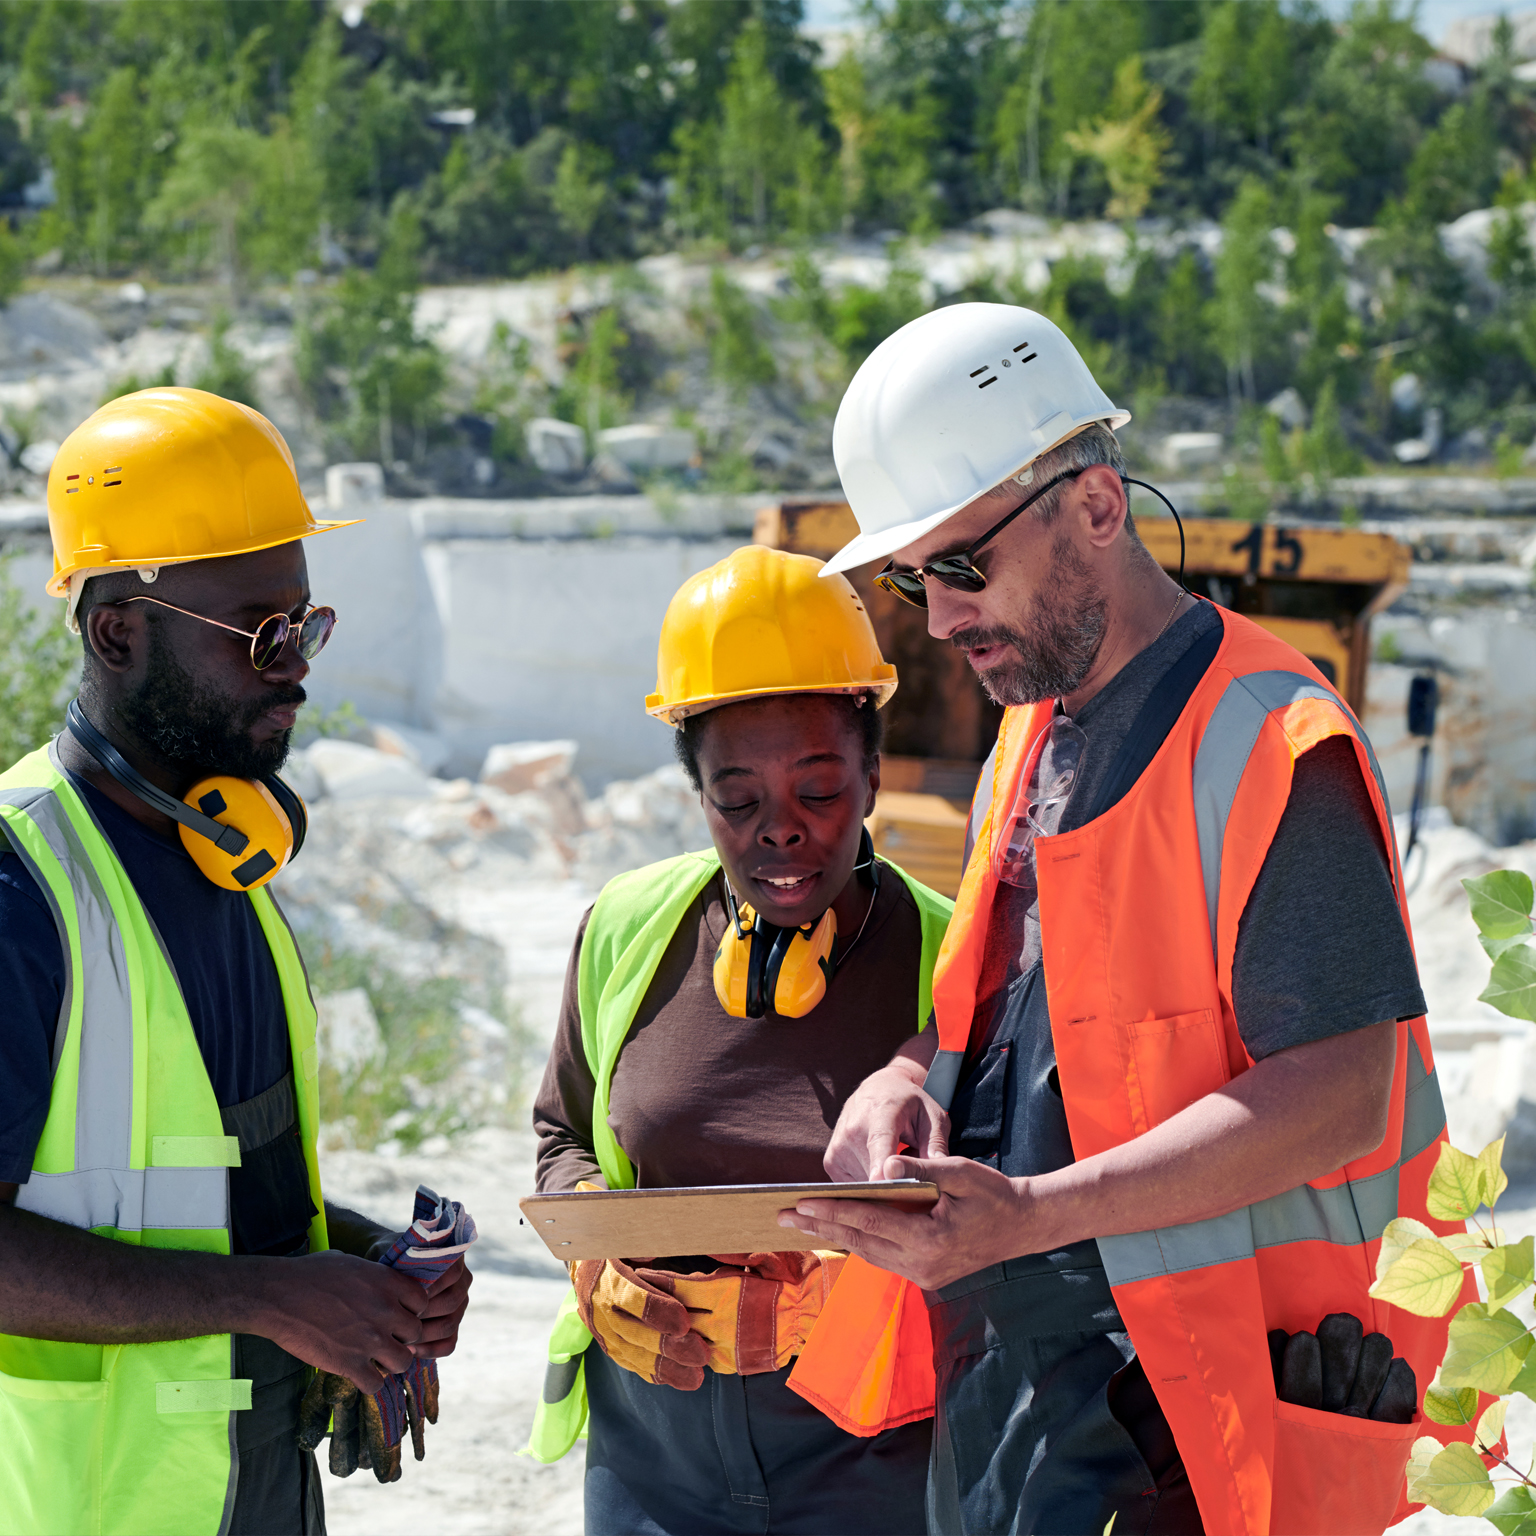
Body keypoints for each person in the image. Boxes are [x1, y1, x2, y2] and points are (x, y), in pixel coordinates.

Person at [779, 304, 1466, 1536]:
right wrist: (901, 1078)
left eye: (958, 568)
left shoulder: (1269, 741)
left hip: (1197, 1417)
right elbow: (996, 1029)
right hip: (1024, 1389)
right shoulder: (1027, 736)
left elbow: (1342, 1093)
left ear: (1096, 507)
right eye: (909, 579)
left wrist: (1038, 1214)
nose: (936, 621)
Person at [0, 388, 472, 1536]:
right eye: (263, 634)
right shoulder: (22, 882)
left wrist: (354, 1271)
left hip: (251, 1486)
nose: (297, 669)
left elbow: (193, 1185)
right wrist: (272, 1299)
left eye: (308, 629)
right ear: (119, 631)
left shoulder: (226, 862)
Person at [528, 544, 954, 1536]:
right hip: (651, 1463)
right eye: (738, 798)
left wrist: (852, 1283)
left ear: (875, 776)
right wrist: (599, 1266)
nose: (782, 829)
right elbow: (562, 1137)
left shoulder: (955, 957)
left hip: (880, 1467)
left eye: (820, 789)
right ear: (697, 793)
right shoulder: (630, 930)